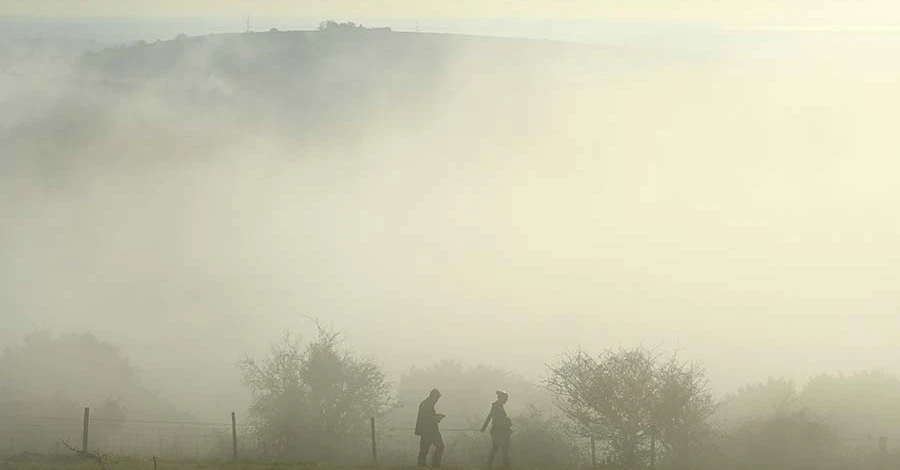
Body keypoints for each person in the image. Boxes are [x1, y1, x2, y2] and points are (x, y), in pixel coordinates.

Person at [415, 388, 445, 468]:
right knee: (439, 447)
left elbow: (427, 418)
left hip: (427, 432)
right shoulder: (427, 405)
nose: (437, 400)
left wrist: (436, 417)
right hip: (430, 432)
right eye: (437, 398)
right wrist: (437, 418)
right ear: (433, 397)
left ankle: (422, 466)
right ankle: (435, 465)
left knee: (424, 451)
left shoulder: (426, 404)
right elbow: (428, 419)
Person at [481, 390, 512, 469]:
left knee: (502, 448)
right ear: (501, 398)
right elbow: (490, 417)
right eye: (505, 398)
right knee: (498, 448)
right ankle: (491, 465)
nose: (506, 400)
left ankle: (504, 465)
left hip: (501, 430)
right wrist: (484, 427)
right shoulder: (496, 406)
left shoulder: (499, 406)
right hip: (497, 430)